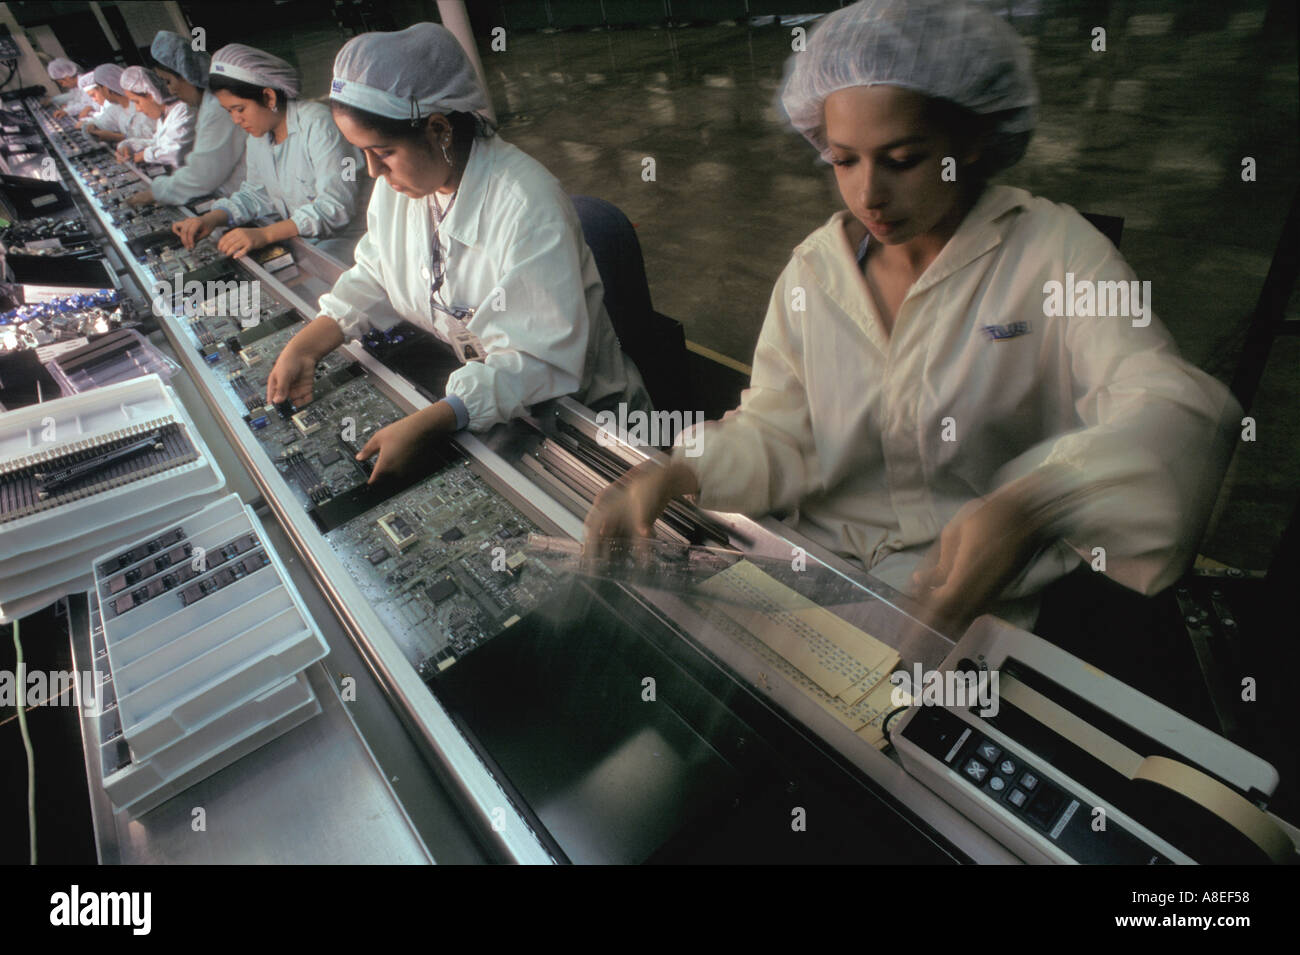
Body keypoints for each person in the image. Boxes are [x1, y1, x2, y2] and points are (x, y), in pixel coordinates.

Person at [585, 0, 1241, 636]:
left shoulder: (1056, 257)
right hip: (809, 574)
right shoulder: (816, 272)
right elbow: (781, 426)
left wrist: (1035, 502)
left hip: (966, 609)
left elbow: (1178, 414)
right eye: (843, 160)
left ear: (975, 136)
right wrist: (684, 467)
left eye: (903, 159)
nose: (869, 192)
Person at [263, 22, 649, 482]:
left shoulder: (526, 203)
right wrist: (309, 343)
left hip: (584, 424)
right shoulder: (404, 185)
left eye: (382, 152)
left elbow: (535, 360)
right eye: (362, 152)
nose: (372, 170)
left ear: (439, 130)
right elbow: (377, 271)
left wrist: (433, 420)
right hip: (500, 404)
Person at [170, 43, 366, 262]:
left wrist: (265, 234)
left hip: (351, 247)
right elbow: (256, 193)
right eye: (229, 112)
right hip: (308, 245)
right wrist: (213, 218)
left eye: (240, 109)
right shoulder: (260, 137)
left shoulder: (318, 124)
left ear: (269, 98)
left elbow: (336, 206)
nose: (236, 120)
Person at [126, 31, 247, 207]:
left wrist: (156, 192)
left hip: (248, 202)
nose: (171, 90)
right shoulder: (207, 105)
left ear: (186, 73)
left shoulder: (217, 108)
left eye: (168, 81)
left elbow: (203, 175)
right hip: (237, 198)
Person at [114, 66, 195, 168]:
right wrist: (129, 146)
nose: (138, 109)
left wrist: (143, 155)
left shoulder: (183, 110)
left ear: (151, 94)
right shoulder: (165, 114)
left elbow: (176, 151)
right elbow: (157, 144)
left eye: (137, 102)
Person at [76, 64, 156, 145]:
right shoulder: (116, 108)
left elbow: (153, 141)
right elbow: (101, 123)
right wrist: (92, 126)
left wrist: (116, 137)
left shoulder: (142, 106)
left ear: (106, 89)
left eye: (100, 88)